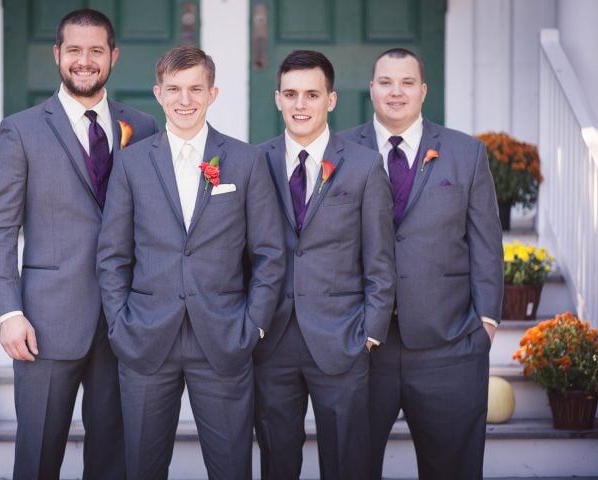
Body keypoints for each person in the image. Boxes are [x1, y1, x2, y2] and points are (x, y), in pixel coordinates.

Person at [0, 8, 158, 480]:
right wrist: (9, 312)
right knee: (38, 455)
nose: (85, 60)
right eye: (74, 50)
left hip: (124, 322)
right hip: (45, 323)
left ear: (113, 57)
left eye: (96, 50)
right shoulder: (22, 130)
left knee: (114, 460)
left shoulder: (143, 129)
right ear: (58, 55)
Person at [96, 45, 286, 480]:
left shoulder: (245, 160)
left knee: (231, 467)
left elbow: (270, 253)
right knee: (142, 467)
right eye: (175, 89)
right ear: (158, 93)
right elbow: (113, 254)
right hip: (145, 338)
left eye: (195, 89)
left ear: (212, 93)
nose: (185, 100)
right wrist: (119, 324)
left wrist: (253, 325)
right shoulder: (130, 164)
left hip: (223, 338)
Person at [340, 47, 503, 479]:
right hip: (361, 345)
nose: (397, 92)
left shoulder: (466, 153)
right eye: (387, 82)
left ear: (423, 90)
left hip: (448, 345)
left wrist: (485, 323)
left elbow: (486, 242)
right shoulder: (337, 152)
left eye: (407, 82)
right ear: (371, 88)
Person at [253, 50, 396, 480]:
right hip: (271, 339)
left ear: (330, 100)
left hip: (342, 337)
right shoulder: (253, 162)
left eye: (312, 94)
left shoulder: (364, 166)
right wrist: (250, 324)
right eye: (291, 94)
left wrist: (370, 331)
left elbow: (380, 258)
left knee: (347, 462)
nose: (301, 104)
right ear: (277, 98)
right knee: (277, 462)